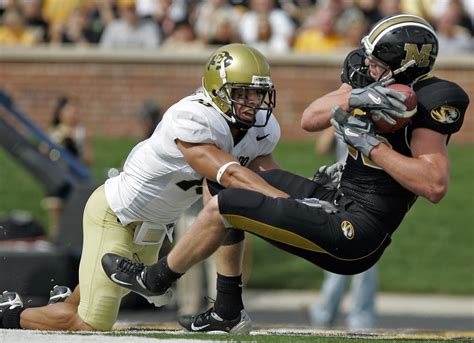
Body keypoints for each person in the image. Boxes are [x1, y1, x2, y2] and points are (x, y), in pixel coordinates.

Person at [99, 14, 469, 334]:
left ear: (406, 64)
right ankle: (228, 310)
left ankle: (156, 279)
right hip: (336, 198)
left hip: (359, 231)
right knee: (225, 179)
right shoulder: (364, 74)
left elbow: (434, 184)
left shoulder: (436, 99)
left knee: (230, 202)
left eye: (378, 63)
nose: (369, 67)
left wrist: (374, 147)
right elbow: (311, 119)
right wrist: (356, 97)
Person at [0, 43, 286, 331]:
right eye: (242, 93)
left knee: (97, 297)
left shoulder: (260, 130)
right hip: (116, 216)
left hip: (154, 231)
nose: (252, 102)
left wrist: (304, 199)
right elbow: (231, 176)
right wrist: (284, 202)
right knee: (91, 323)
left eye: (257, 93)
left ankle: (61, 303)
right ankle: (10, 314)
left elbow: (269, 178)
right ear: (216, 90)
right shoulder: (194, 118)